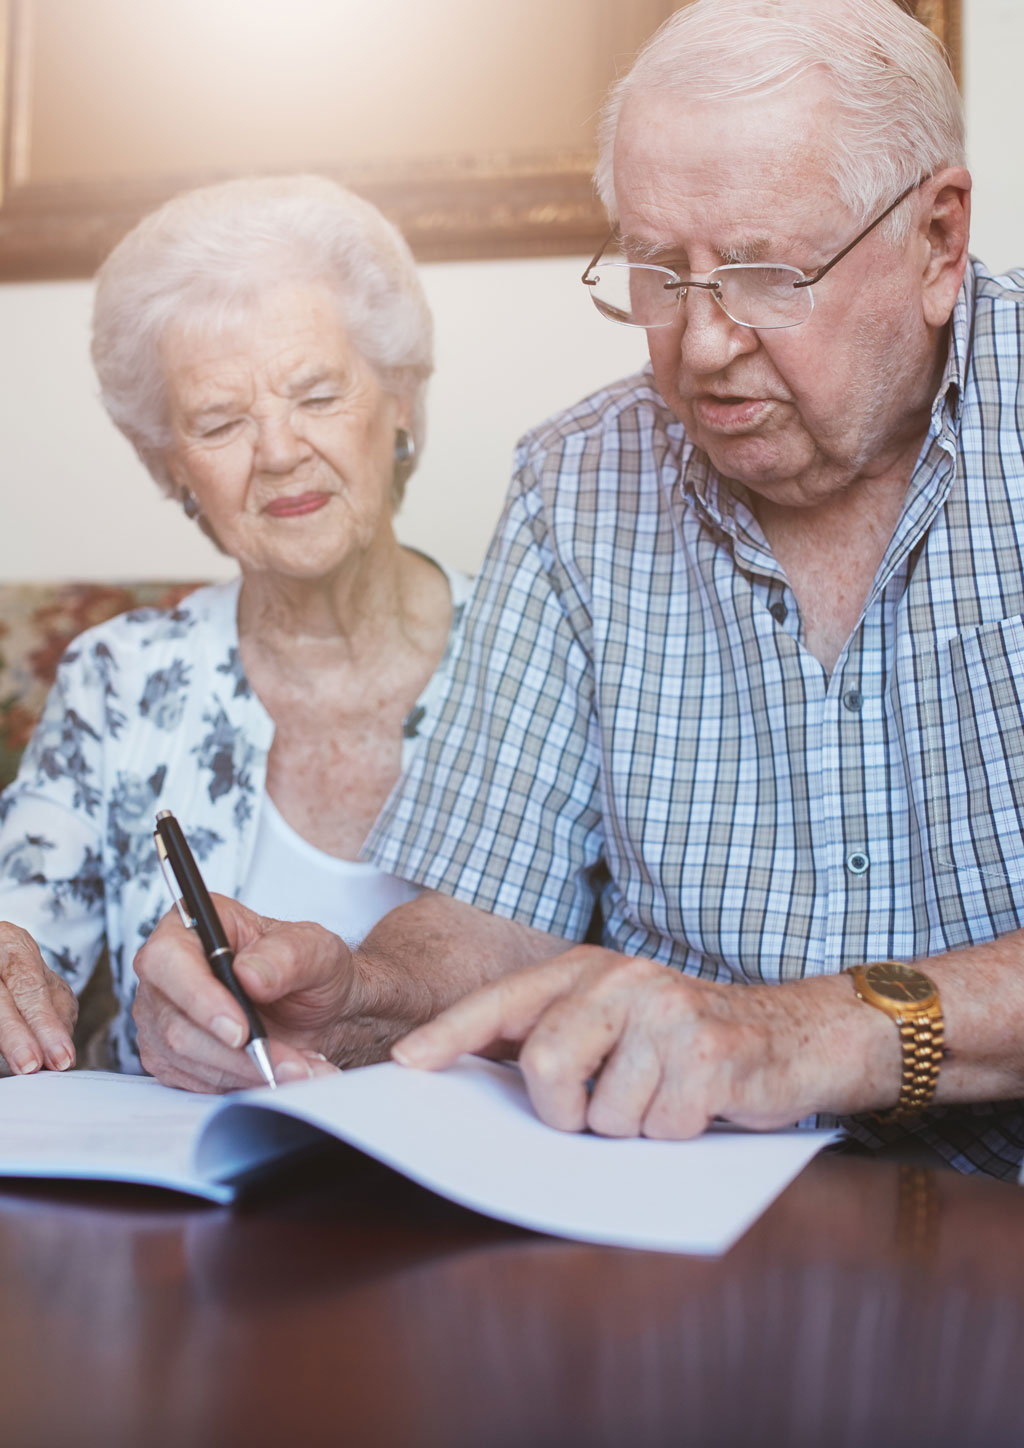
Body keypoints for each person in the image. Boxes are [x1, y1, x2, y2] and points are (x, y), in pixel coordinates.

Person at [133, 0, 1024, 1171]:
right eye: (659, 271)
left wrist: (805, 1033)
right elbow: (488, 914)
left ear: (938, 240)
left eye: (761, 273)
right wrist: (349, 993)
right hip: (673, 1248)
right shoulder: (577, 482)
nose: (701, 345)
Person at [0, 175, 470, 1079]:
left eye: (317, 394)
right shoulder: (118, 678)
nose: (281, 450)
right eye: (220, 422)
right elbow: (26, 934)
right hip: (195, 1200)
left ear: (399, 402)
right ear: (170, 468)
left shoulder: (547, 647)